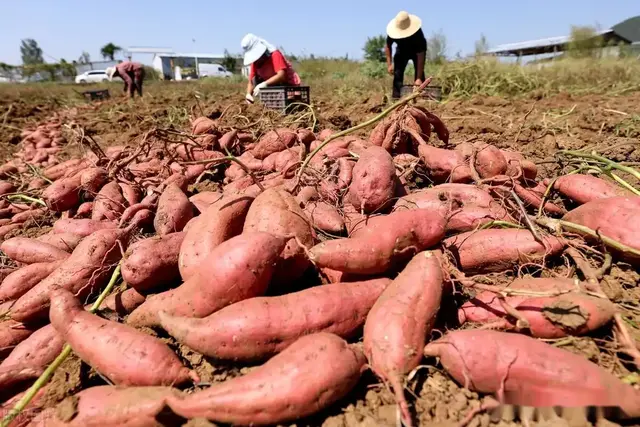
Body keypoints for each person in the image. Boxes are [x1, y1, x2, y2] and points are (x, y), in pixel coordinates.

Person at [241, 34, 301, 103]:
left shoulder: (275, 54)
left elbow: (282, 76)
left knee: (289, 99)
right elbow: (251, 81)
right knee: (256, 80)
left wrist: (264, 84)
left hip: (288, 88)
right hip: (273, 90)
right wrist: (248, 94)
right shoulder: (255, 62)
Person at [385, 11, 427, 100]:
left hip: (417, 52)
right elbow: (388, 46)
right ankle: (396, 99)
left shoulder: (417, 34)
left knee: (420, 77)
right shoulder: (393, 32)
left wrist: (418, 78)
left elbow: (421, 54)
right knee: (397, 75)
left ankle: (421, 97)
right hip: (402, 51)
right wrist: (389, 64)